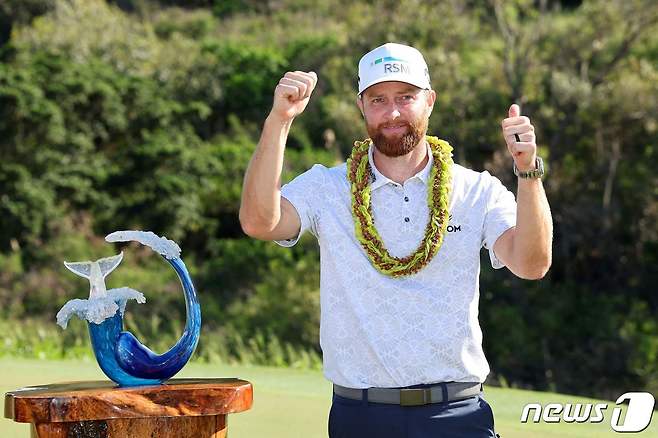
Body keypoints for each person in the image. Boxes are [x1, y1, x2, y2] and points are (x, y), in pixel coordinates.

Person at [239, 42, 552, 438]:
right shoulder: (327, 186)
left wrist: (528, 171)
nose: (392, 113)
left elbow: (532, 263)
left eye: (406, 98)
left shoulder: (476, 190)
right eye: (378, 99)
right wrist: (279, 120)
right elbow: (258, 221)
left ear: (430, 101)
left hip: (457, 413)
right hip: (360, 415)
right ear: (361, 106)